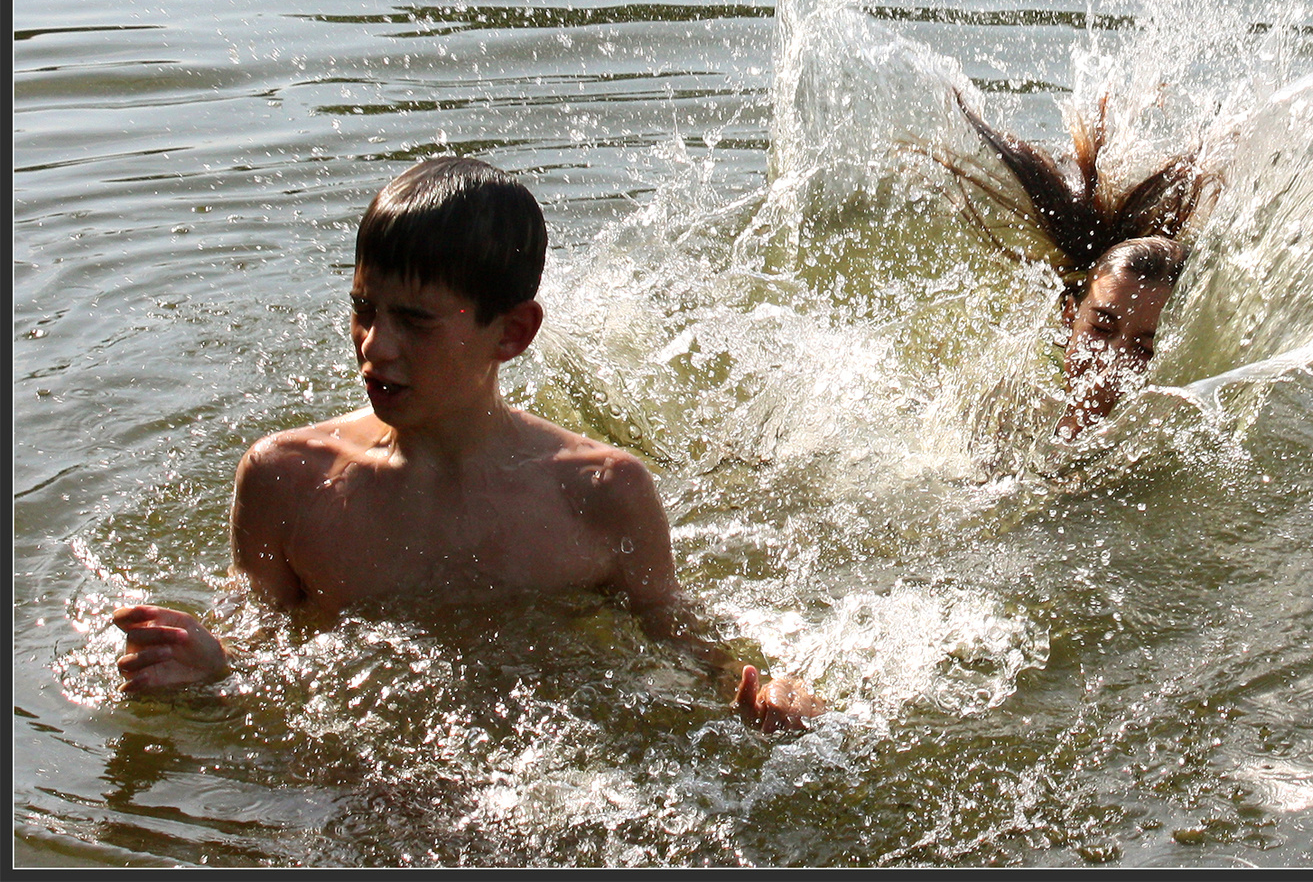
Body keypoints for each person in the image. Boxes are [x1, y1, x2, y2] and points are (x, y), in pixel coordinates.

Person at [113, 156, 823, 733]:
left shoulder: (601, 493)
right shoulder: (285, 482)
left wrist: (758, 690)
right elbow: (261, 642)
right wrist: (211, 666)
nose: (374, 347)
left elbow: (679, 634)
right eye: (364, 308)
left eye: (415, 323)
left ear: (512, 333)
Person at [931, 91, 1214, 439]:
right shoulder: (1008, 410)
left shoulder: (1175, 431)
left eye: (1144, 348)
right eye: (1101, 328)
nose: (1113, 360)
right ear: (1070, 317)